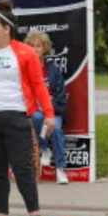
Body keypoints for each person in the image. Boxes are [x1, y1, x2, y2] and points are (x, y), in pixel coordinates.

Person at [0, 0, 54, 216]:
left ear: (6, 29)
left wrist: (49, 114)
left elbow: (38, 85)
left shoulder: (25, 52)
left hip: (16, 116)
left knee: (23, 168)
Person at [24, 30, 69, 185]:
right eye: (32, 46)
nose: (35, 49)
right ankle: (45, 148)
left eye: (39, 46)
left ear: (45, 49)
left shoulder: (53, 70)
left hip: (53, 111)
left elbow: (62, 98)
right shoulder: (24, 69)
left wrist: (49, 106)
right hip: (34, 112)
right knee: (37, 117)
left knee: (55, 128)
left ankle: (60, 169)